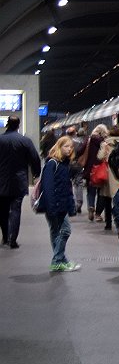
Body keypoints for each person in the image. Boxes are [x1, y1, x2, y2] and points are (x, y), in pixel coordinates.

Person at [36, 136, 81, 272]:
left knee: (56, 232)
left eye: (71, 147)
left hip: (60, 203)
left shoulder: (64, 164)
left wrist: (70, 206)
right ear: (59, 147)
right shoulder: (52, 163)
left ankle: (61, 260)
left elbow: (66, 188)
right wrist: (51, 206)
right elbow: (47, 186)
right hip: (54, 204)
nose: (69, 149)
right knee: (65, 230)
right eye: (66, 146)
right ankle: (57, 260)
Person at [0, 116, 42, 249]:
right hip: (19, 180)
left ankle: (5, 237)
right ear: (18, 125)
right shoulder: (25, 141)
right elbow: (35, 158)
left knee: (3, 210)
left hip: (1, 181)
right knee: (15, 210)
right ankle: (13, 239)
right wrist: (36, 173)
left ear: (7, 125)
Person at [99, 126, 119, 230]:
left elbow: (100, 157)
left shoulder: (105, 143)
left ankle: (108, 223)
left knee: (107, 200)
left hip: (109, 174)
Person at [83, 124, 110, 222]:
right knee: (101, 192)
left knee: (90, 190)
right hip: (101, 168)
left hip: (90, 169)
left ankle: (91, 206)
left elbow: (81, 150)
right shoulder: (104, 142)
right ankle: (98, 214)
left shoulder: (89, 140)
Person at [66, 125, 86, 214]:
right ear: (75, 133)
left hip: (68, 165)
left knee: (67, 183)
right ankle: (79, 203)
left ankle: (71, 203)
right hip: (78, 164)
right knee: (79, 183)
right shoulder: (80, 142)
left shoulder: (65, 142)